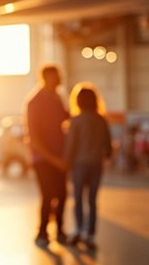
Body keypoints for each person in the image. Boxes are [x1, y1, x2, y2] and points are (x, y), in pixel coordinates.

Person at [25, 64, 69, 246]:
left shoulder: (57, 99)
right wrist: (54, 160)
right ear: (45, 78)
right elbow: (34, 138)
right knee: (48, 195)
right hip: (43, 159)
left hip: (60, 158)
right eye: (55, 76)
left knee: (62, 195)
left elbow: (67, 120)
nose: (59, 79)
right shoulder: (35, 102)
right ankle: (42, 232)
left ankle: (60, 230)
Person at [64, 87, 112, 249]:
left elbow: (71, 144)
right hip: (96, 164)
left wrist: (66, 162)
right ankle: (90, 235)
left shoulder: (76, 120)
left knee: (78, 197)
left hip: (79, 164)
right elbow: (108, 145)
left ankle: (78, 228)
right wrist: (106, 155)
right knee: (92, 200)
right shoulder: (101, 120)